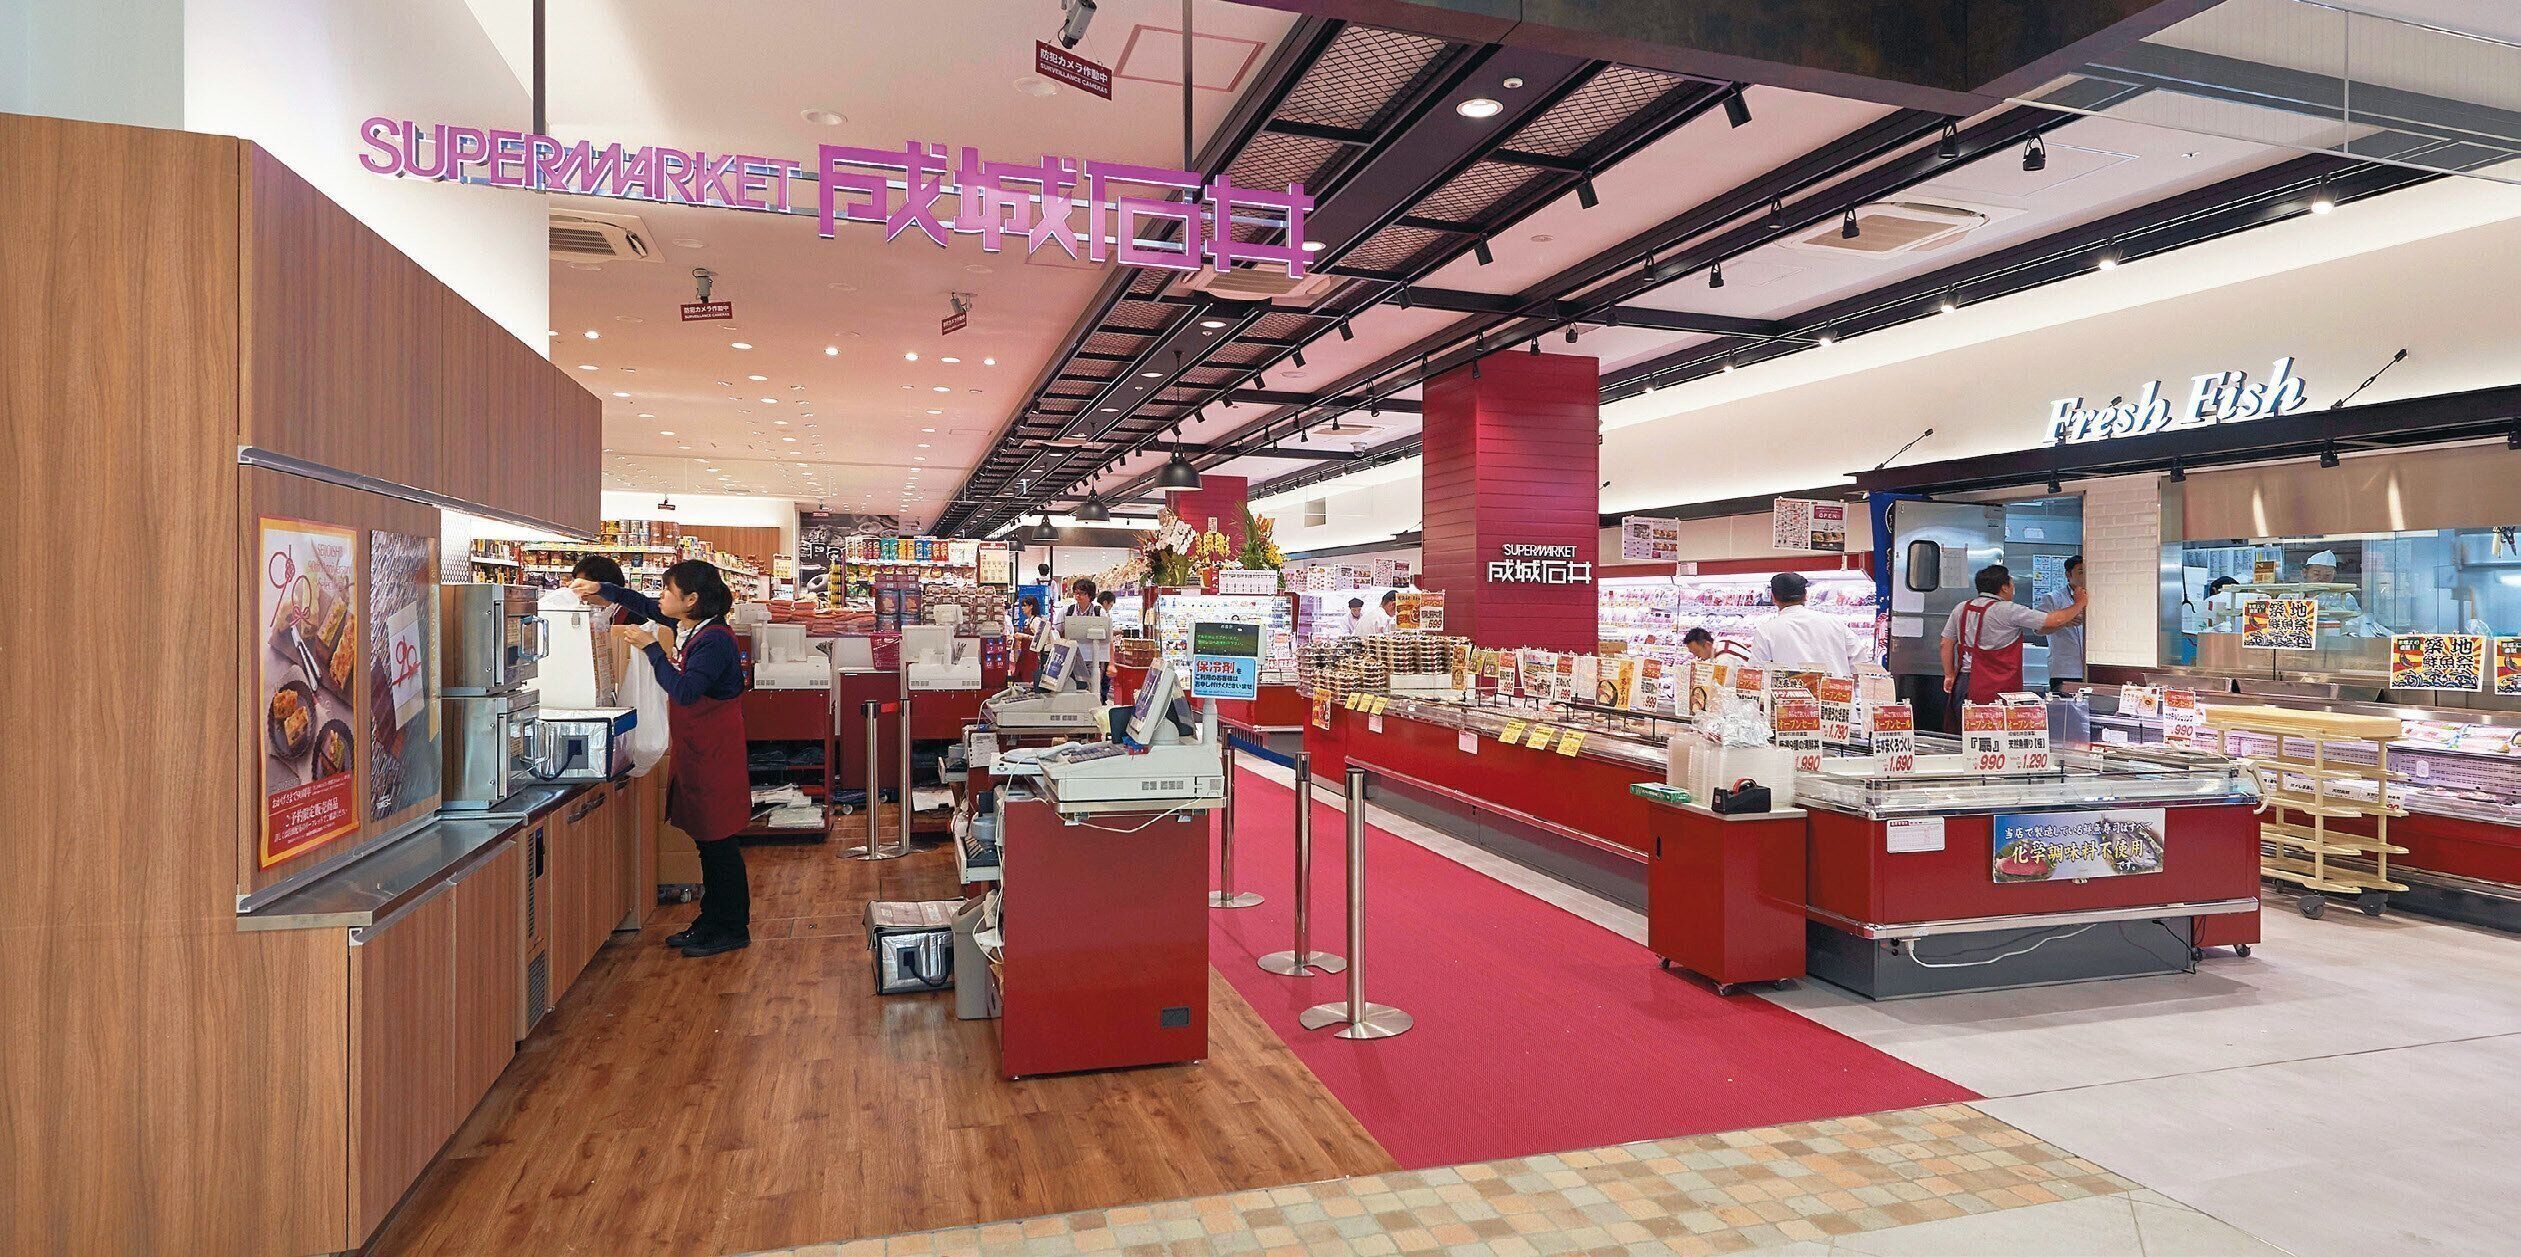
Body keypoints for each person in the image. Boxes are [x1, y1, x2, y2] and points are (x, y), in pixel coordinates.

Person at [568, 560, 752, 957]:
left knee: (719, 845)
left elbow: (683, 691)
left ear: (691, 599)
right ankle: (711, 920)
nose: (662, 598)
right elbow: (644, 605)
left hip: (715, 757)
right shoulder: (694, 626)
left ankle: (731, 927)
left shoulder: (714, 641)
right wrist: (603, 589)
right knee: (707, 844)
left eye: (669, 591)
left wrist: (651, 649)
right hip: (699, 750)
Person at [1941, 563, 2088, 713]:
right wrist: (2079, 603)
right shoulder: (2008, 610)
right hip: (1996, 685)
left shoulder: (1961, 607)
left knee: (1965, 723)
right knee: (1996, 724)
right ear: (2004, 587)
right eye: (2012, 584)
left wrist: (1949, 675)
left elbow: (1946, 643)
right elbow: (2053, 620)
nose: (2013, 589)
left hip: (1963, 681)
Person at [1745, 571, 1856, 676]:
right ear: (1805, 595)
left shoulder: (1766, 630)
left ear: (1773, 598)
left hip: (1789, 689)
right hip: (1835, 688)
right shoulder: (1835, 622)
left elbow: (1756, 672)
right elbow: (1859, 660)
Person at [2036, 556, 2088, 694]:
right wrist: (2063, 623)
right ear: (2068, 574)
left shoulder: (2099, 597)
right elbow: (2038, 629)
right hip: (2065, 669)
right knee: (2063, 706)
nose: (2085, 576)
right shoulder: (2053, 598)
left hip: (2093, 668)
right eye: (2081, 572)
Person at [1055, 578, 1106, 692]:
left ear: (1090, 595)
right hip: (1071, 657)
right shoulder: (1067, 611)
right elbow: (1056, 631)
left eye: (1082, 593)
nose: (1078, 596)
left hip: (1094, 658)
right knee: (1071, 688)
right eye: (1076, 593)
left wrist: (1110, 663)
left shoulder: (1099, 612)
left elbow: (1108, 638)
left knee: (1093, 689)